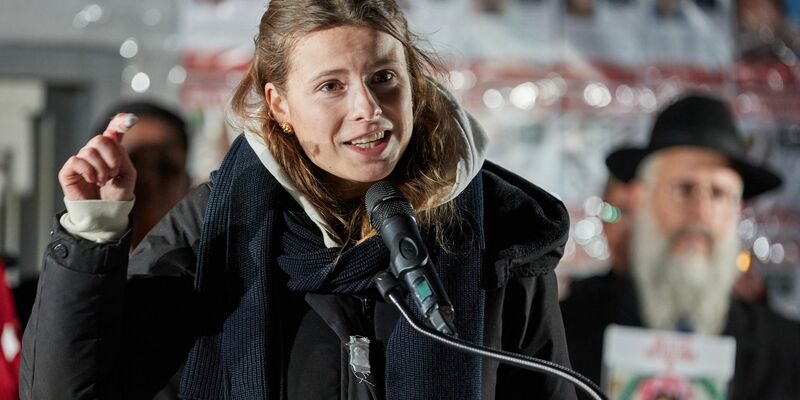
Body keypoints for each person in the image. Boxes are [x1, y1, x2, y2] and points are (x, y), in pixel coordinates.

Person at [20, 1, 577, 399]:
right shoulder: (214, 226)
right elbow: (67, 391)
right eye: (332, 86)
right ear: (280, 104)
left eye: (384, 77)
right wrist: (92, 229)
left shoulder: (499, 229)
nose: (369, 109)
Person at [560, 93, 800, 400]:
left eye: (719, 193)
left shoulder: (784, 354)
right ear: (640, 199)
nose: (701, 212)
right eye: (684, 189)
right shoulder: (566, 338)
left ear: (737, 208)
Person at [91, 101, 192, 251]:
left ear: (187, 182)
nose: (149, 180)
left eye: (165, 167)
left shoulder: (212, 262)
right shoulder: (72, 263)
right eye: (131, 165)